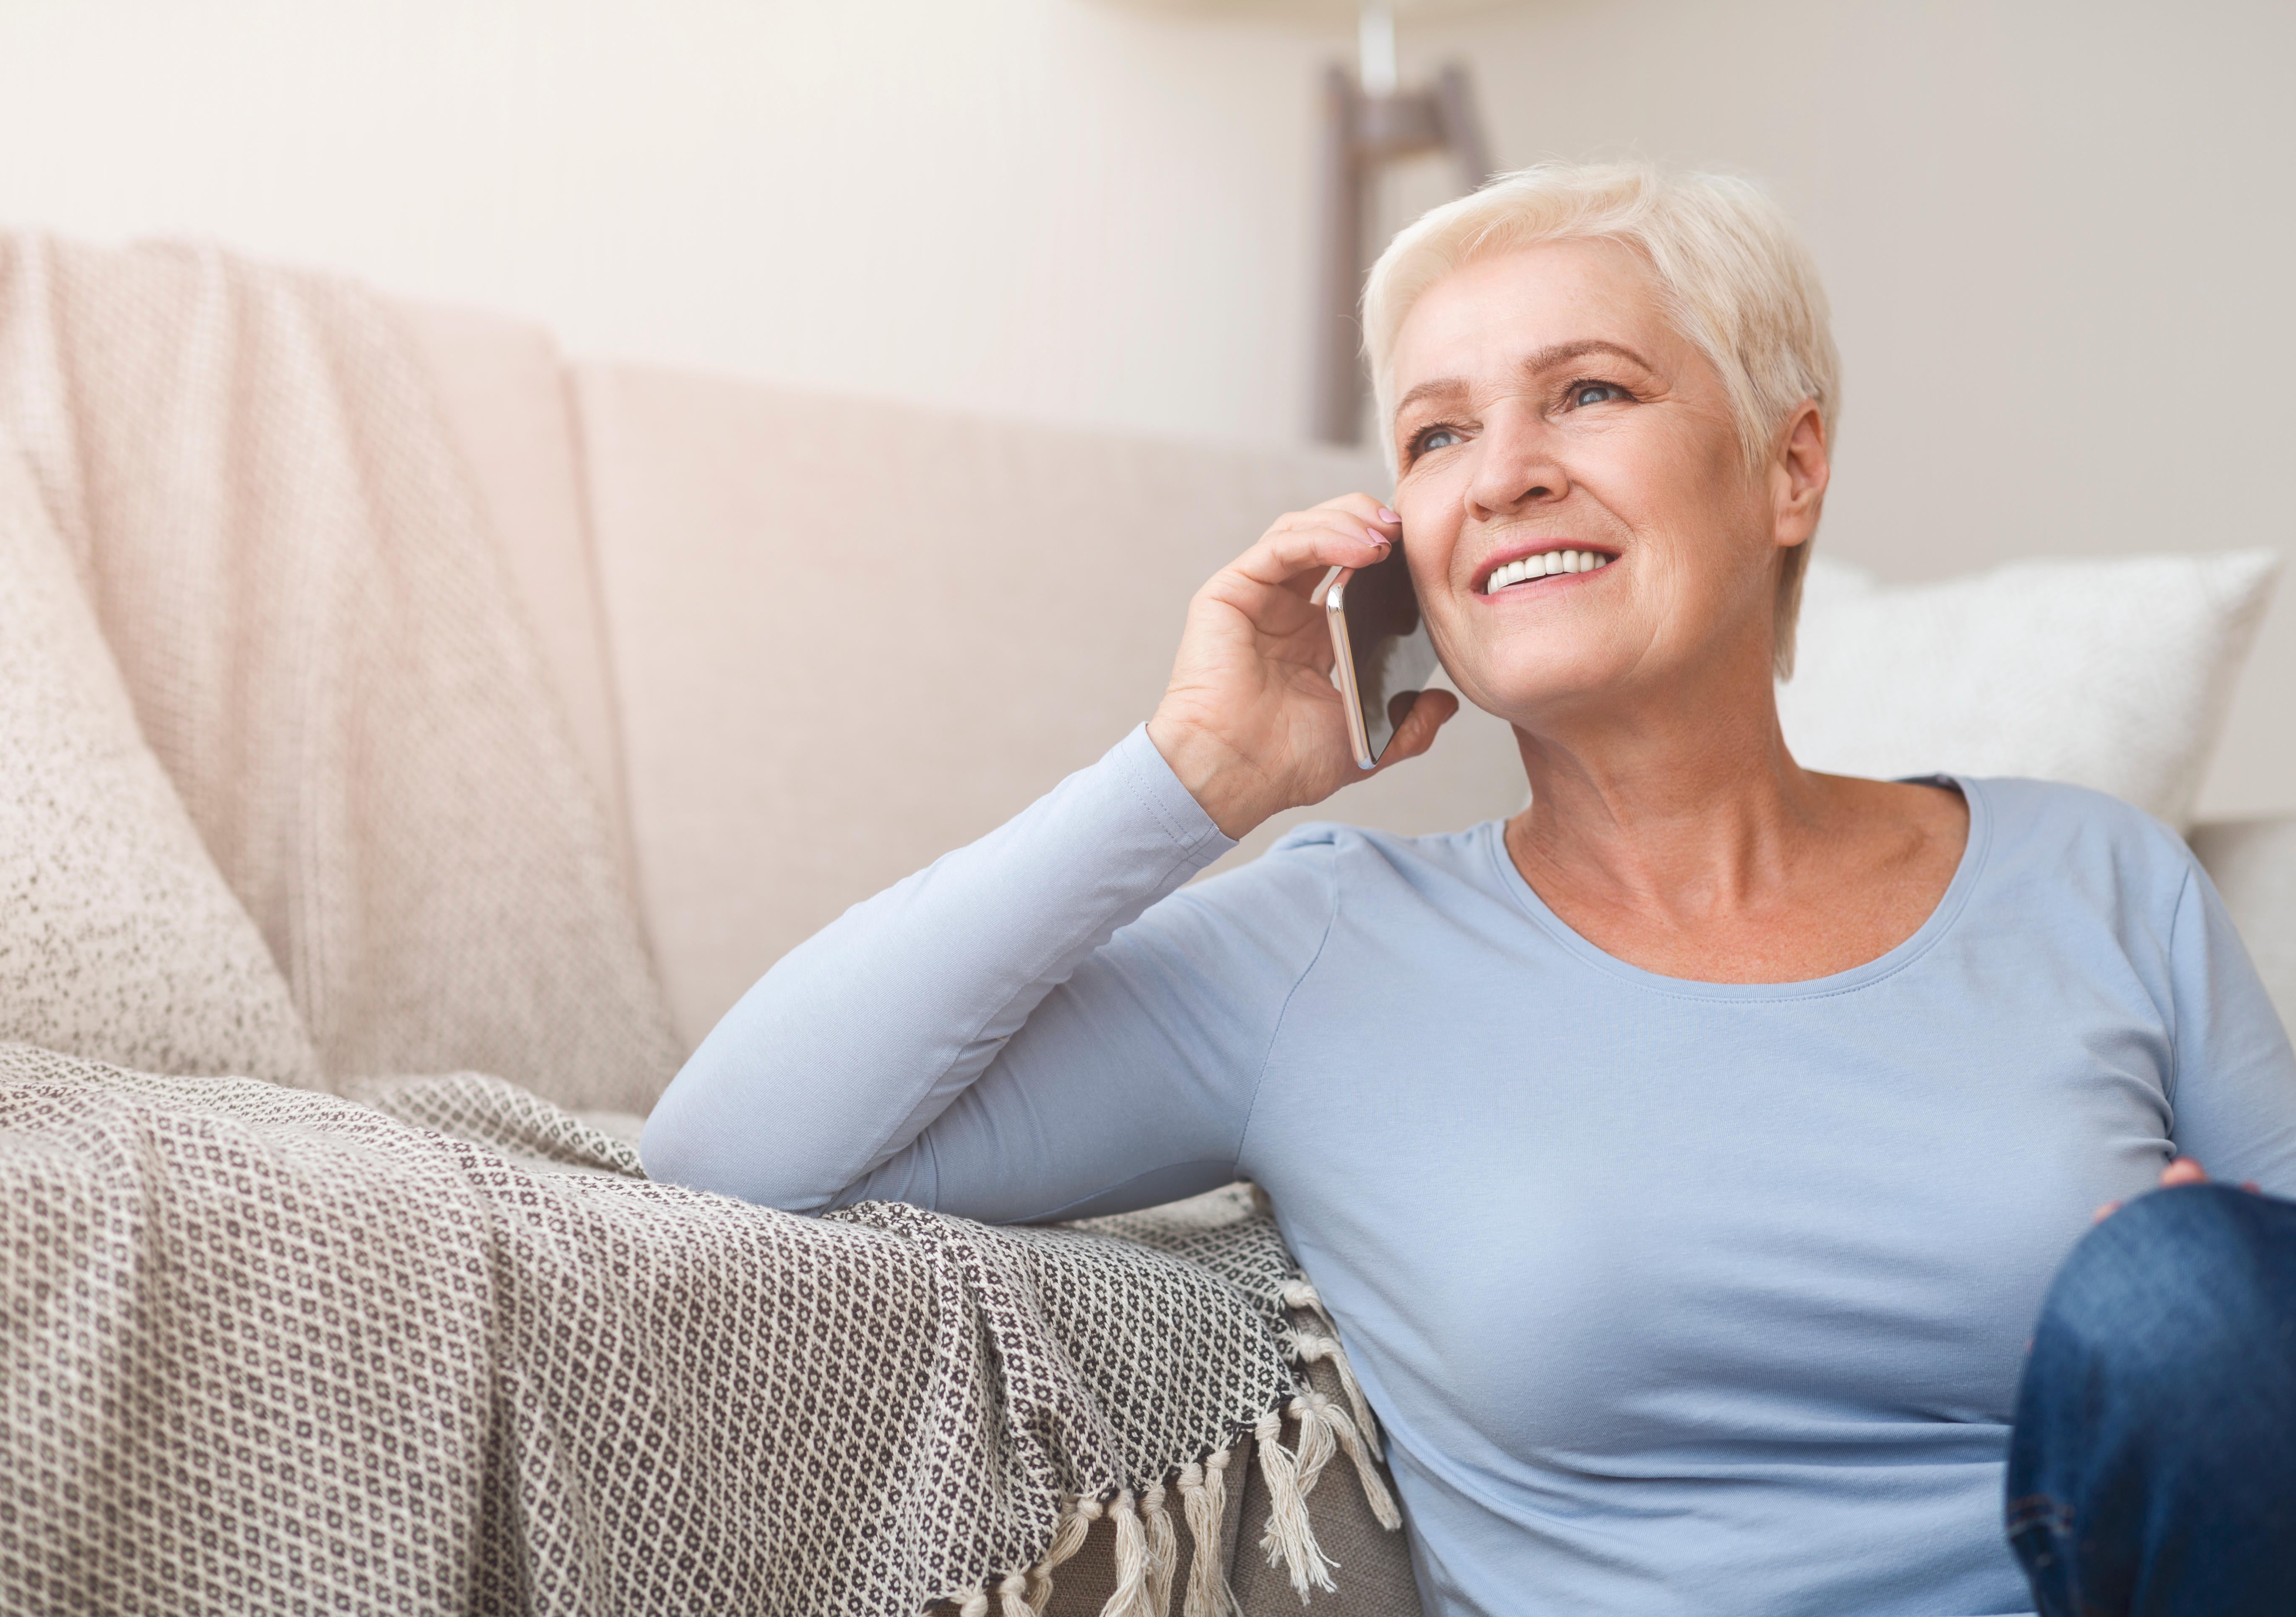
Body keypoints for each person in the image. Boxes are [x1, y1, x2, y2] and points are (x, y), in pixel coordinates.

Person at [642, 164, 2296, 1616]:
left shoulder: (2098, 880)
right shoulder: (1327, 946)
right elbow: (733, 1147)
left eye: (1588, 393)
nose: (1504, 470)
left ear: (1788, 471)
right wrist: (1188, 778)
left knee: (2189, 1294)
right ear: (1404, 548)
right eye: (1439, 433)